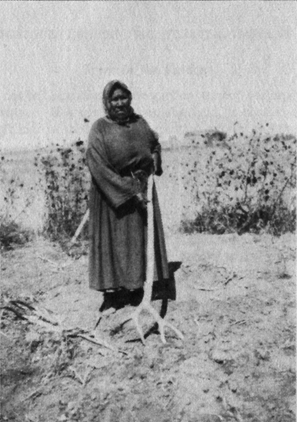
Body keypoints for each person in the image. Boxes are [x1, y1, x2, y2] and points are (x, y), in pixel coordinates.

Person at [86, 80, 172, 311]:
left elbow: (154, 144)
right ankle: (115, 293)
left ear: (130, 99)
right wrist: (128, 189)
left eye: (123, 98)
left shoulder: (140, 123)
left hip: (142, 186)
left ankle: (138, 287)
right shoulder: (99, 128)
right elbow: (97, 164)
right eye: (114, 99)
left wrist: (155, 157)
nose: (120, 103)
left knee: (138, 240)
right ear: (107, 103)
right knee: (115, 243)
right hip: (112, 193)